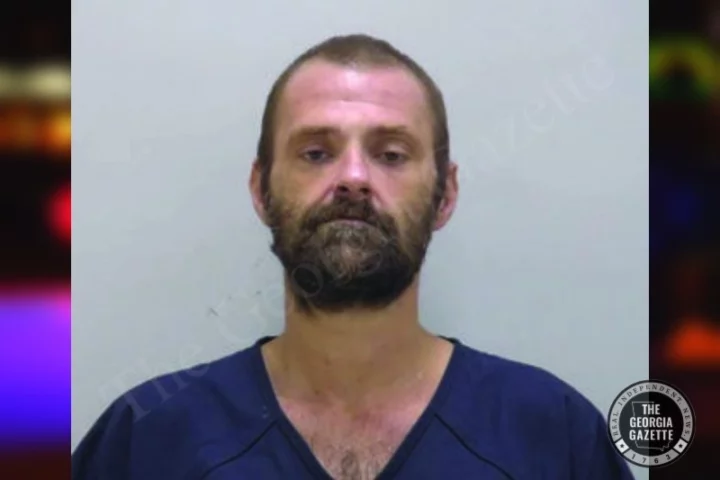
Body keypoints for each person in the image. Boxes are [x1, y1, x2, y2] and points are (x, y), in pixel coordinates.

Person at [72, 34, 634, 479]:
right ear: (261, 189)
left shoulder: (555, 436)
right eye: (317, 153)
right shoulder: (146, 440)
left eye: (391, 154)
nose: (354, 177)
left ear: (445, 195)